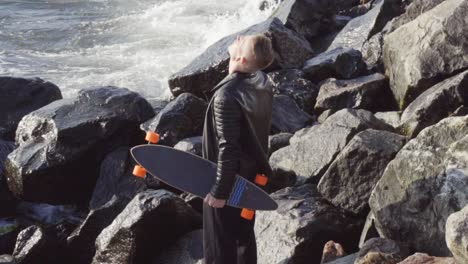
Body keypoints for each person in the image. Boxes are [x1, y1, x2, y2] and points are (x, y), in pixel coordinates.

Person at [201, 33, 275, 264]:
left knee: (220, 246)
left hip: (230, 178)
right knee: (243, 237)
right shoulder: (261, 79)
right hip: (252, 175)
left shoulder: (226, 95)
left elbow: (228, 148)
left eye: (241, 41)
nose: (238, 37)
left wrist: (219, 191)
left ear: (242, 59)